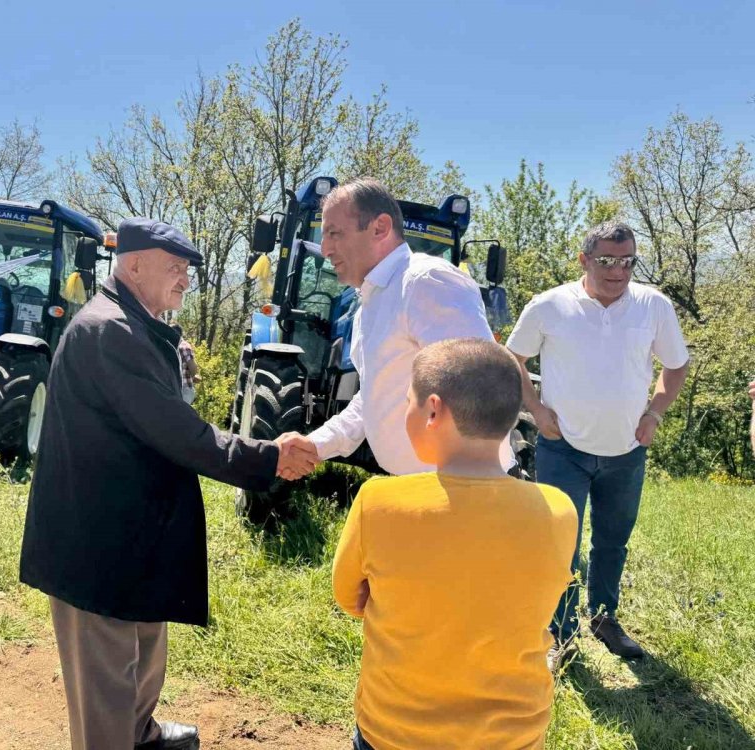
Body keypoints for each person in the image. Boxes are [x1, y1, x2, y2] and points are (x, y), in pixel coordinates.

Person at [19, 218, 317, 750]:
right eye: (174, 268)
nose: (185, 280)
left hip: (131, 533)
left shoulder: (138, 326)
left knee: (142, 654)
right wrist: (269, 457)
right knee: (106, 684)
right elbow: (178, 432)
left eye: (187, 271)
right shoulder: (110, 330)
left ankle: (142, 734)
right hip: (97, 543)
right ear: (133, 264)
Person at [333, 338, 577, 750]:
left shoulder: (379, 502)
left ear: (433, 410)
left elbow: (350, 598)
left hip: (395, 733)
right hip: (511, 738)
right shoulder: (558, 511)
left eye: (408, 400)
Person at [506, 220, 690, 665]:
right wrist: (535, 409)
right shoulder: (549, 305)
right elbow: (512, 358)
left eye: (627, 261)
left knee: (612, 541)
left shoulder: (653, 306)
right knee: (560, 543)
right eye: (607, 260)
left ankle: (605, 620)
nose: (618, 271)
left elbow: (676, 366)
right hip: (563, 448)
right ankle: (562, 635)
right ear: (584, 260)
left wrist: (654, 414)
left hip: (627, 452)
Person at [289, 177, 512, 475]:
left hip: (458, 492)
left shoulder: (425, 282)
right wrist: (316, 445)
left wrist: (462, 494)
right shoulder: (371, 302)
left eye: (334, 233)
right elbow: (373, 398)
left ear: (380, 228)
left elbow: (478, 390)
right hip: (425, 489)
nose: (325, 248)